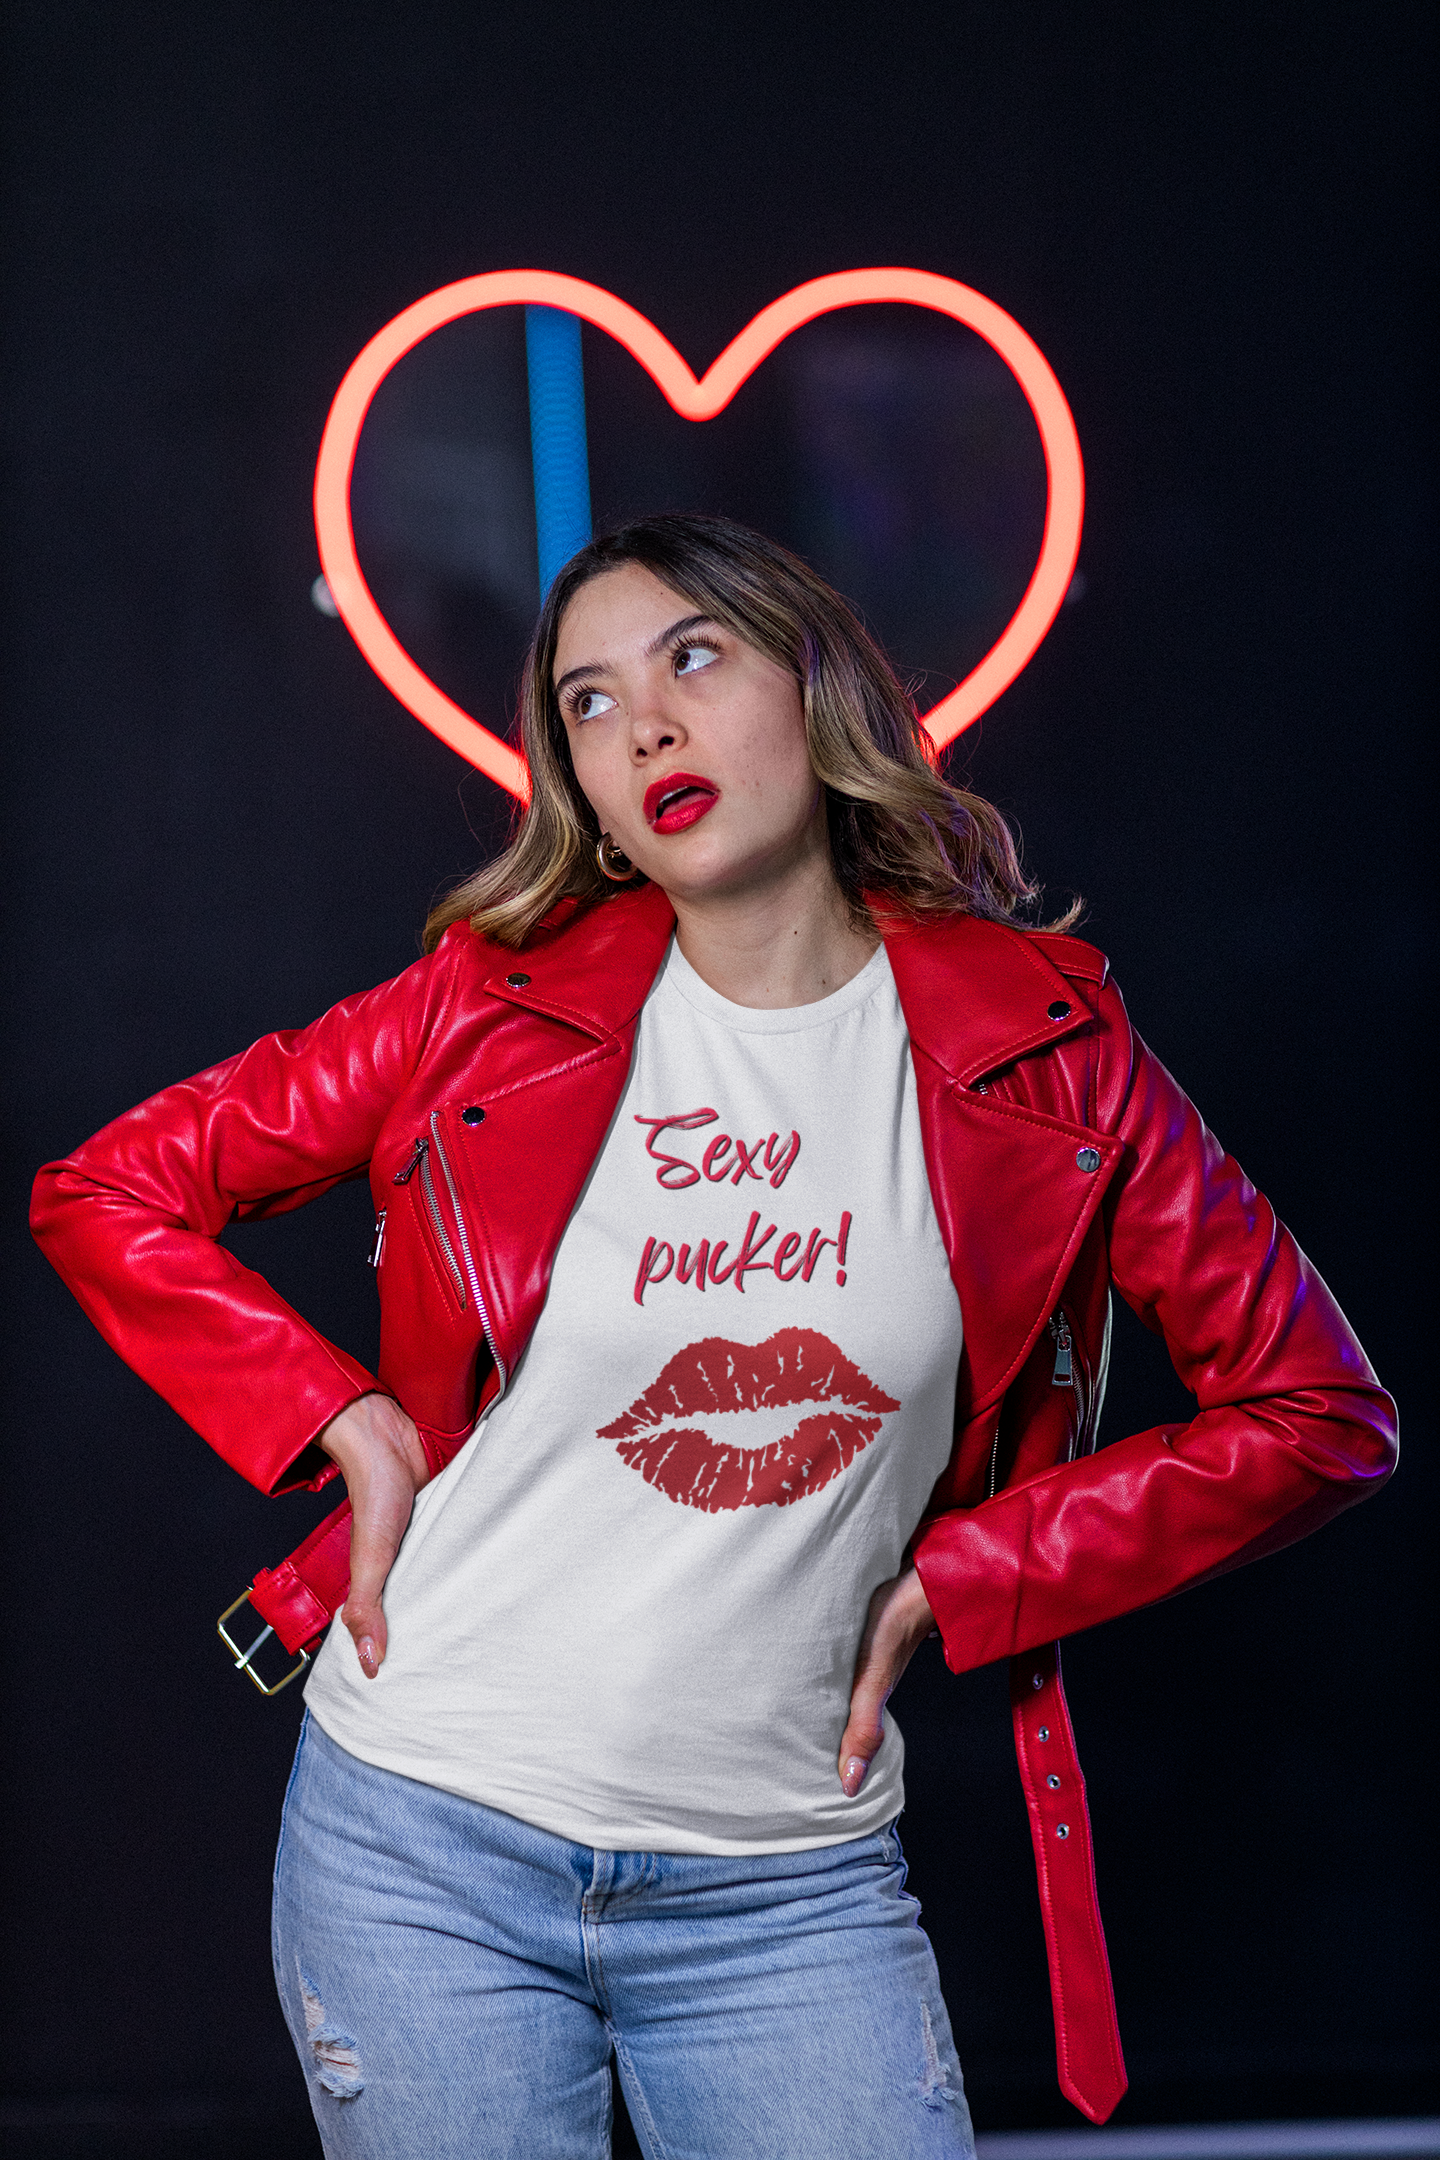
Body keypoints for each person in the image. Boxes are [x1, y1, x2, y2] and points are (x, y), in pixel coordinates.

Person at [31, 514, 1396, 2160]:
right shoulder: (484, 1003)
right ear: (586, 792)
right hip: (422, 1848)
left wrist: (972, 1573)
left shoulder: (1051, 1052)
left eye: (692, 658)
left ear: (818, 690)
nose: (647, 725)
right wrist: (341, 1417)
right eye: (590, 704)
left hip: (788, 1890)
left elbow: (1318, 1410)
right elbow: (108, 1190)